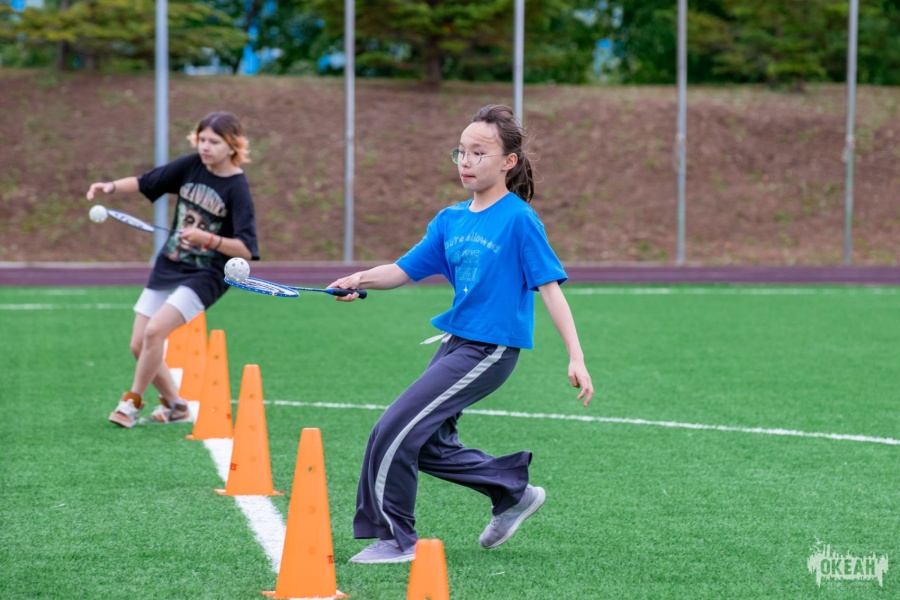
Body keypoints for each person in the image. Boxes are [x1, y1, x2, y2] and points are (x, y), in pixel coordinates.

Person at [328, 104, 594, 564]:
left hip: (491, 350)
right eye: (461, 152)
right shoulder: (450, 220)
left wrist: (576, 356)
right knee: (427, 443)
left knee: (393, 429)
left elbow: (550, 289)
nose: (466, 162)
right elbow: (402, 270)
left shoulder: (519, 220)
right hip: (456, 344)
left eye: (478, 153)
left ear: (509, 161)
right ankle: (512, 491)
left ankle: (396, 538)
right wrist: (358, 279)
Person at [86, 111, 259, 428]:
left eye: (214, 142)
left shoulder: (237, 187)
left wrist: (208, 238)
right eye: (202, 139)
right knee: (138, 344)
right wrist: (108, 187)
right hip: (172, 262)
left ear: (232, 145)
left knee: (155, 332)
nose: (205, 146)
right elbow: (147, 181)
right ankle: (177, 406)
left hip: (208, 274)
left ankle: (131, 402)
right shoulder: (192, 165)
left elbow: (246, 248)